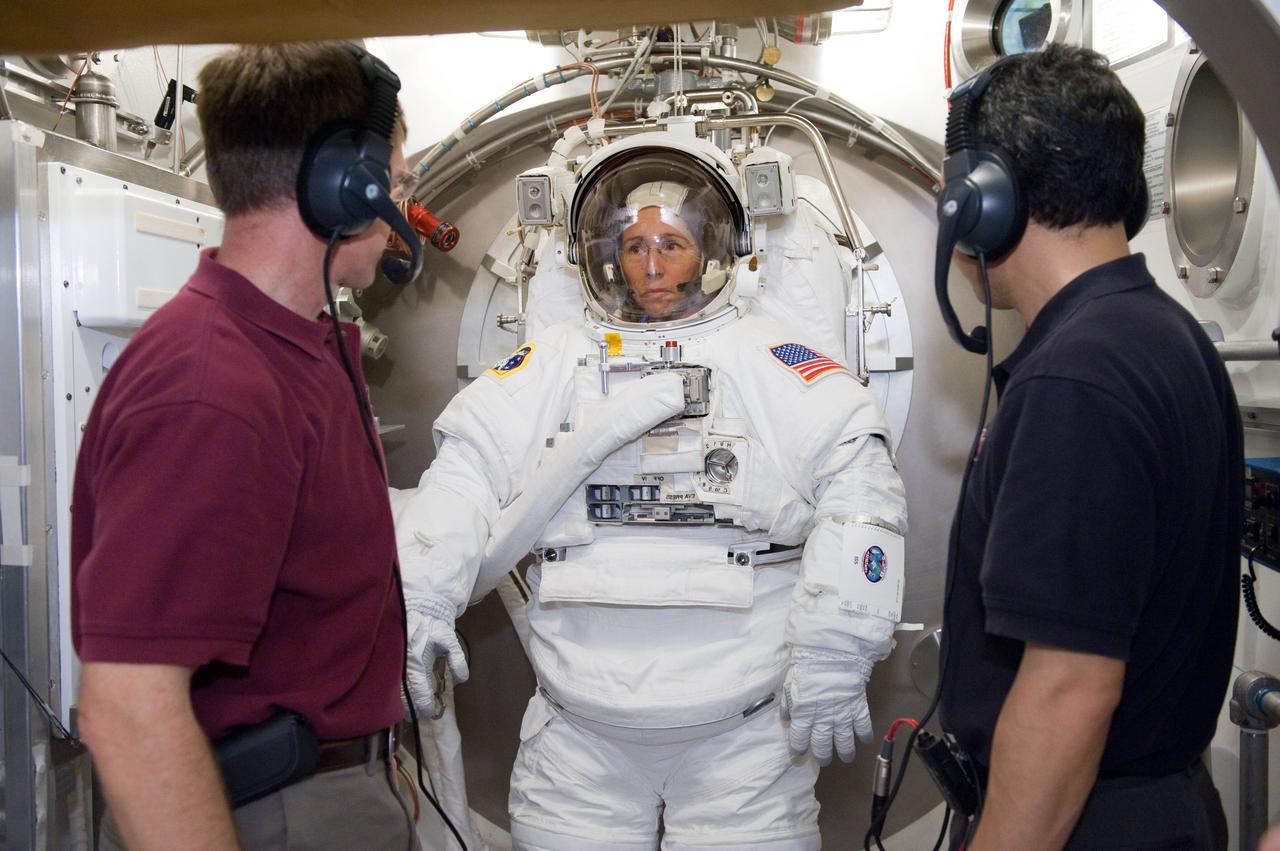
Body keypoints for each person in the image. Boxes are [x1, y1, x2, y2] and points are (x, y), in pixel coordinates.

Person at [396, 135, 908, 850]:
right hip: (580, 743)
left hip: (744, 746)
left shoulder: (767, 355)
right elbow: (465, 472)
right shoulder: (554, 360)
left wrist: (836, 647)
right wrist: (422, 595)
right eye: (634, 247)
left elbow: (861, 482)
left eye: (673, 243)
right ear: (603, 257)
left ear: (716, 252)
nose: (653, 265)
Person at [71, 43, 419, 850]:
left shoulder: (295, 348)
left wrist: (369, 757)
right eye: (396, 182)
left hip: (329, 787)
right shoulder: (213, 386)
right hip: (269, 812)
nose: (402, 205)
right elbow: (128, 704)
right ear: (348, 187)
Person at [937, 45, 1242, 850]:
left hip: (1085, 822)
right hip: (1155, 808)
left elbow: (1069, 685)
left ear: (987, 199)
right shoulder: (1164, 336)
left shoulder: (1074, 378)